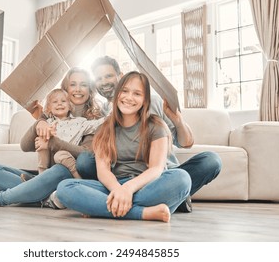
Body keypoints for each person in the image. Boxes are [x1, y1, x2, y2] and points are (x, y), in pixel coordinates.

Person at [75, 56, 222, 212]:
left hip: (159, 174)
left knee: (210, 161)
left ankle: (121, 202)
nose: (104, 82)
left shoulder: (154, 101)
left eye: (109, 76)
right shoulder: (102, 113)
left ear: (121, 76)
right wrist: (44, 120)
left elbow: (186, 143)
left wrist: (178, 121)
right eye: (99, 78)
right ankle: (164, 201)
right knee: (84, 161)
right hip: (121, 178)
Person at [0, 67, 103, 209]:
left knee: (59, 169)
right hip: (45, 175)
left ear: (90, 91)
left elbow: (86, 155)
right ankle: (44, 197)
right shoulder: (51, 115)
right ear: (65, 89)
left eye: (83, 85)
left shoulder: (93, 121)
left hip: (66, 173)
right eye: (73, 84)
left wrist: (52, 143)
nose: (78, 89)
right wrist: (40, 123)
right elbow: (25, 146)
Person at [57, 71, 191, 222]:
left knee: (182, 178)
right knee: (65, 188)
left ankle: (100, 208)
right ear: (117, 94)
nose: (129, 98)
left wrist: (128, 189)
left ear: (145, 100)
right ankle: (144, 213)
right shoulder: (105, 128)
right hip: (115, 185)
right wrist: (119, 190)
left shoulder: (156, 126)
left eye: (137, 94)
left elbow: (156, 169)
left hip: (146, 185)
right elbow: (103, 172)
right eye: (125, 91)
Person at [33, 88, 105, 179]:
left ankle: (78, 179)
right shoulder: (47, 123)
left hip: (68, 157)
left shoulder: (79, 122)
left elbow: (96, 125)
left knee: (60, 155)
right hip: (51, 159)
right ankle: (41, 176)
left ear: (70, 106)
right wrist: (48, 135)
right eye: (55, 102)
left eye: (63, 101)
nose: (59, 103)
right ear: (49, 108)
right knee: (40, 140)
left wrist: (110, 117)